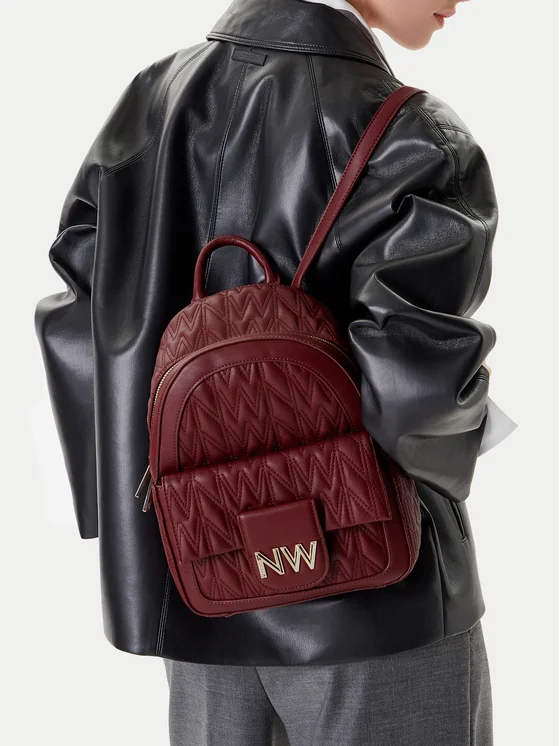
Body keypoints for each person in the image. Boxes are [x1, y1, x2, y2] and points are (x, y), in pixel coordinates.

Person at [34, 0, 517, 743]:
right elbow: (416, 394)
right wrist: (475, 429)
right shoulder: (410, 135)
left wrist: (134, 506)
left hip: (202, 583)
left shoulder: (150, 102)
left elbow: (78, 317)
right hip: (374, 602)